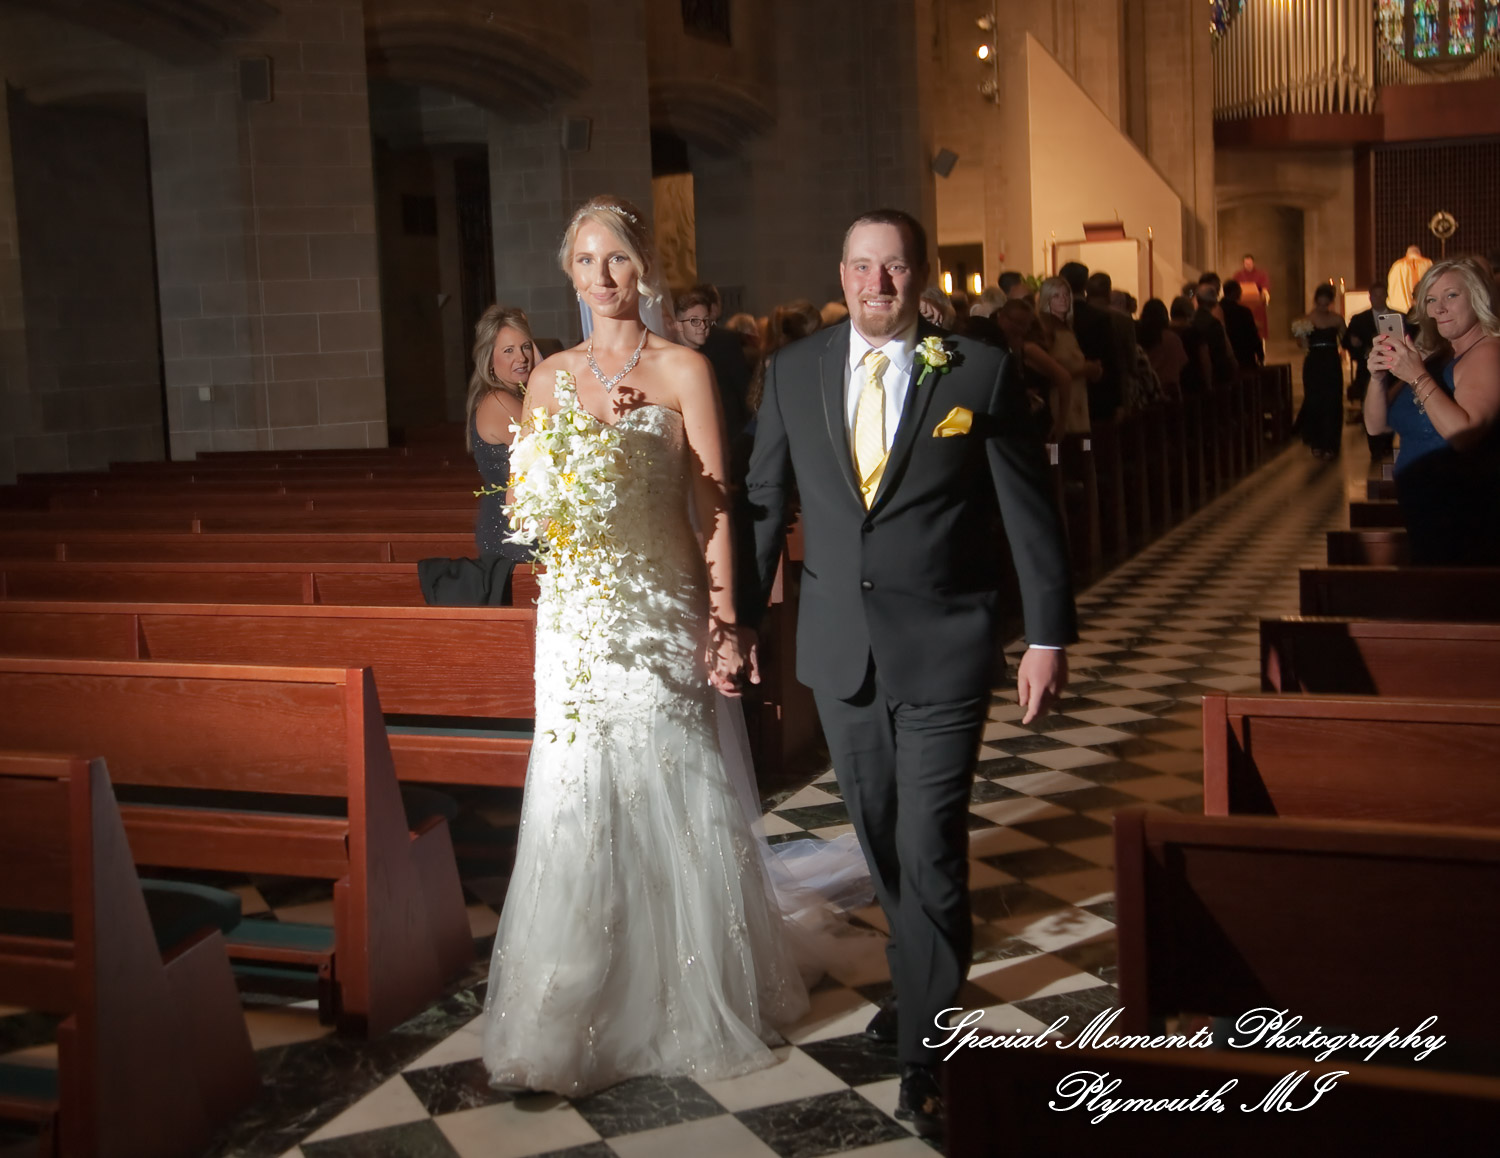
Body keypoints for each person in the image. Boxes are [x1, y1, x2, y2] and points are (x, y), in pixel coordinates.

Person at [743, 208, 1076, 1141]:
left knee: (928, 845)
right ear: (840, 273)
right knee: (880, 835)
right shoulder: (798, 370)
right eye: (859, 268)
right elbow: (766, 500)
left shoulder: (977, 370)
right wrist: (736, 621)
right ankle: (923, 985)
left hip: (944, 649)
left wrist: (1047, 634)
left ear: (919, 277)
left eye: (892, 270)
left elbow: (1027, 511)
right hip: (841, 652)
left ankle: (929, 1054)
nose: (875, 286)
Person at [482, 195, 816, 1097]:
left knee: (671, 779)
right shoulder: (546, 381)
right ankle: (570, 1003)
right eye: (587, 261)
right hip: (579, 618)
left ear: (643, 270)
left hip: (662, 605)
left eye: (619, 259)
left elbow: (714, 505)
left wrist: (724, 618)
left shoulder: (683, 371)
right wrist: (564, 483)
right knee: (576, 792)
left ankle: (686, 991)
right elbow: (534, 513)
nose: (603, 276)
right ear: (570, 274)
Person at [1366, 257, 1500, 564]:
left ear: (1477, 296)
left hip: (1465, 515)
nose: (1439, 308)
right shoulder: (1439, 356)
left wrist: (1416, 375)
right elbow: (1376, 427)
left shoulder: (1489, 352)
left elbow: (1463, 436)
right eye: (1431, 299)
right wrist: (1377, 378)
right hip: (1424, 512)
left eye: (1452, 296)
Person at [466, 306, 538, 560]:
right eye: (508, 351)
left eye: (526, 346)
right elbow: (553, 443)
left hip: (526, 525)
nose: (522, 358)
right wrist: (544, 368)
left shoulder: (518, 395)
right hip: (513, 535)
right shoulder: (498, 401)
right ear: (489, 359)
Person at [678, 283, 752, 444]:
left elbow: (744, 390)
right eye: (694, 321)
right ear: (678, 325)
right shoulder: (670, 356)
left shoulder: (724, 343)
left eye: (706, 320)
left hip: (729, 434)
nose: (703, 327)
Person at [995, 297, 1073, 442]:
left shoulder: (1029, 349)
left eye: (1024, 324)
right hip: (1012, 426)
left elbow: (1064, 378)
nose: (1018, 328)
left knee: (1050, 461)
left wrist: (1061, 422)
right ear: (1001, 317)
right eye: (1015, 322)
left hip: (1037, 425)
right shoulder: (997, 348)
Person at [1343, 280, 1398, 459]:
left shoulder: (1397, 317)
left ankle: (1388, 444)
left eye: (1382, 295)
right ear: (1370, 297)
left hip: (1393, 372)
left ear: (1387, 296)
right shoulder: (1360, 319)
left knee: (1390, 406)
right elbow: (1347, 342)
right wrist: (1358, 347)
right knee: (1371, 407)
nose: (1379, 298)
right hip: (1368, 371)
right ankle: (1374, 447)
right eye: (1376, 295)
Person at [1060, 261, 1120, 421]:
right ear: (1086, 285)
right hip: (1095, 393)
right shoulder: (1099, 318)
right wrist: (1117, 401)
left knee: (1059, 444)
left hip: (1060, 394)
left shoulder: (1052, 318)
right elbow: (1111, 360)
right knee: (1089, 441)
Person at [1038, 275, 1098, 433]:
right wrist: (1082, 371)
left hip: (1078, 399)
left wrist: (1092, 370)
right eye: (1056, 296)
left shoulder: (1068, 328)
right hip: (1059, 401)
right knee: (1058, 454)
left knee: (1084, 448)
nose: (1063, 300)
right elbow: (1045, 376)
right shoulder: (1045, 330)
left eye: (1066, 295)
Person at [1293, 283, 1346, 460]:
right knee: (1314, 401)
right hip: (1314, 362)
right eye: (1320, 304)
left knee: (1333, 401)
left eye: (1326, 304)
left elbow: (1344, 340)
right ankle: (1316, 442)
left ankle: (1331, 443)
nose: (1323, 308)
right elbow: (1302, 344)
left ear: (1330, 302)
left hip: (1331, 361)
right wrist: (1300, 335)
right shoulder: (1305, 319)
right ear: (1316, 301)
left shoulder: (1337, 319)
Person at [1138, 297, 1187, 400]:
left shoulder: (1140, 338)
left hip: (1149, 391)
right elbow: (1182, 362)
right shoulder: (1172, 338)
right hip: (1171, 391)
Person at [1194, 279, 1238, 387]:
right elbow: (1226, 351)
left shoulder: (1191, 322)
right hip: (1218, 377)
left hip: (1197, 377)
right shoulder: (1214, 324)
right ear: (1214, 302)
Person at [1170, 295, 1211, 396]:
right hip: (1191, 380)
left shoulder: (1165, 332)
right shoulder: (1194, 332)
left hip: (1172, 381)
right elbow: (1204, 359)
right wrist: (1208, 383)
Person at [1221, 279, 1264, 369]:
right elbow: (1252, 334)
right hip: (1244, 354)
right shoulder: (1243, 311)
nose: (1241, 293)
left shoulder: (1217, 309)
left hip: (1224, 356)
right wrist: (1260, 354)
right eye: (1239, 290)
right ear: (1234, 292)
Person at [1232, 254, 1270, 339]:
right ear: (1243, 264)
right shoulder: (1238, 275)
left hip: (1257, 306)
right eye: (1246, 263)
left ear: (1253, 263)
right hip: (1242, 306)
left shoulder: (1261, 274)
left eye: (1250, 263)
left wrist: (1265, 293)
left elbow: (1265, 287)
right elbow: (1233, 289)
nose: (1248, 265)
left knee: (1258, 333)